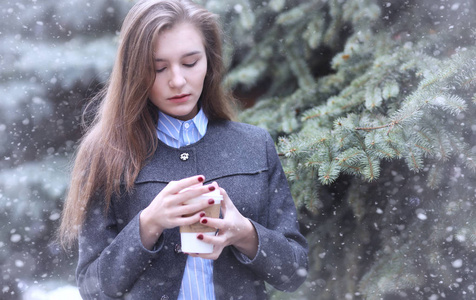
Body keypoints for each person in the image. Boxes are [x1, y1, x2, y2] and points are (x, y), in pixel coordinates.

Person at [58, 0, 308, 299]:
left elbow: (294, 272)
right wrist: (147, 225)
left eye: (190, 63)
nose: (177, 81)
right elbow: (93, 288)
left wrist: (245, 233)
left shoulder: (255, 145)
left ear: (209, 62)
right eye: (158, 68)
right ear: (134, 73)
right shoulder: (106, 153)